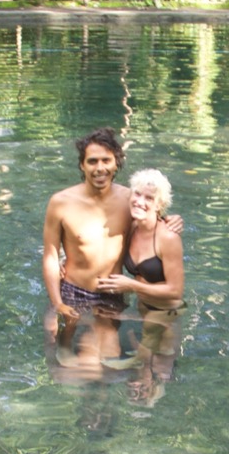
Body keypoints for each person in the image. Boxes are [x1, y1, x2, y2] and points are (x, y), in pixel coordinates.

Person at [42, 128, 180, 365]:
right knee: (60, 353)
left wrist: (172, 219)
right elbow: (50, 255)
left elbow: (151, 224)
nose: (100, 168)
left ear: (117, 163)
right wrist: (57, 304)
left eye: (106, 160)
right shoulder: (61, 203)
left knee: (108, 360)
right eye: (92, 161)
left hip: (112, 294)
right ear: (82, 165)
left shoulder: (131, 200)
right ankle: (63, 349)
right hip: (73, 292)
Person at [95, 169, 185, 404]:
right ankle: (140, 397)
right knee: (142, 365)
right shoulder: (132, 227)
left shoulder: (168, 237)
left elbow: (176, 291)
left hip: (167, 314)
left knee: (162, 369)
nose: (140, 201)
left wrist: (131, 285)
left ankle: (154, 402)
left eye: (149, 198)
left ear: (159, 205)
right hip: (144, 309)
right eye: (137, 194)